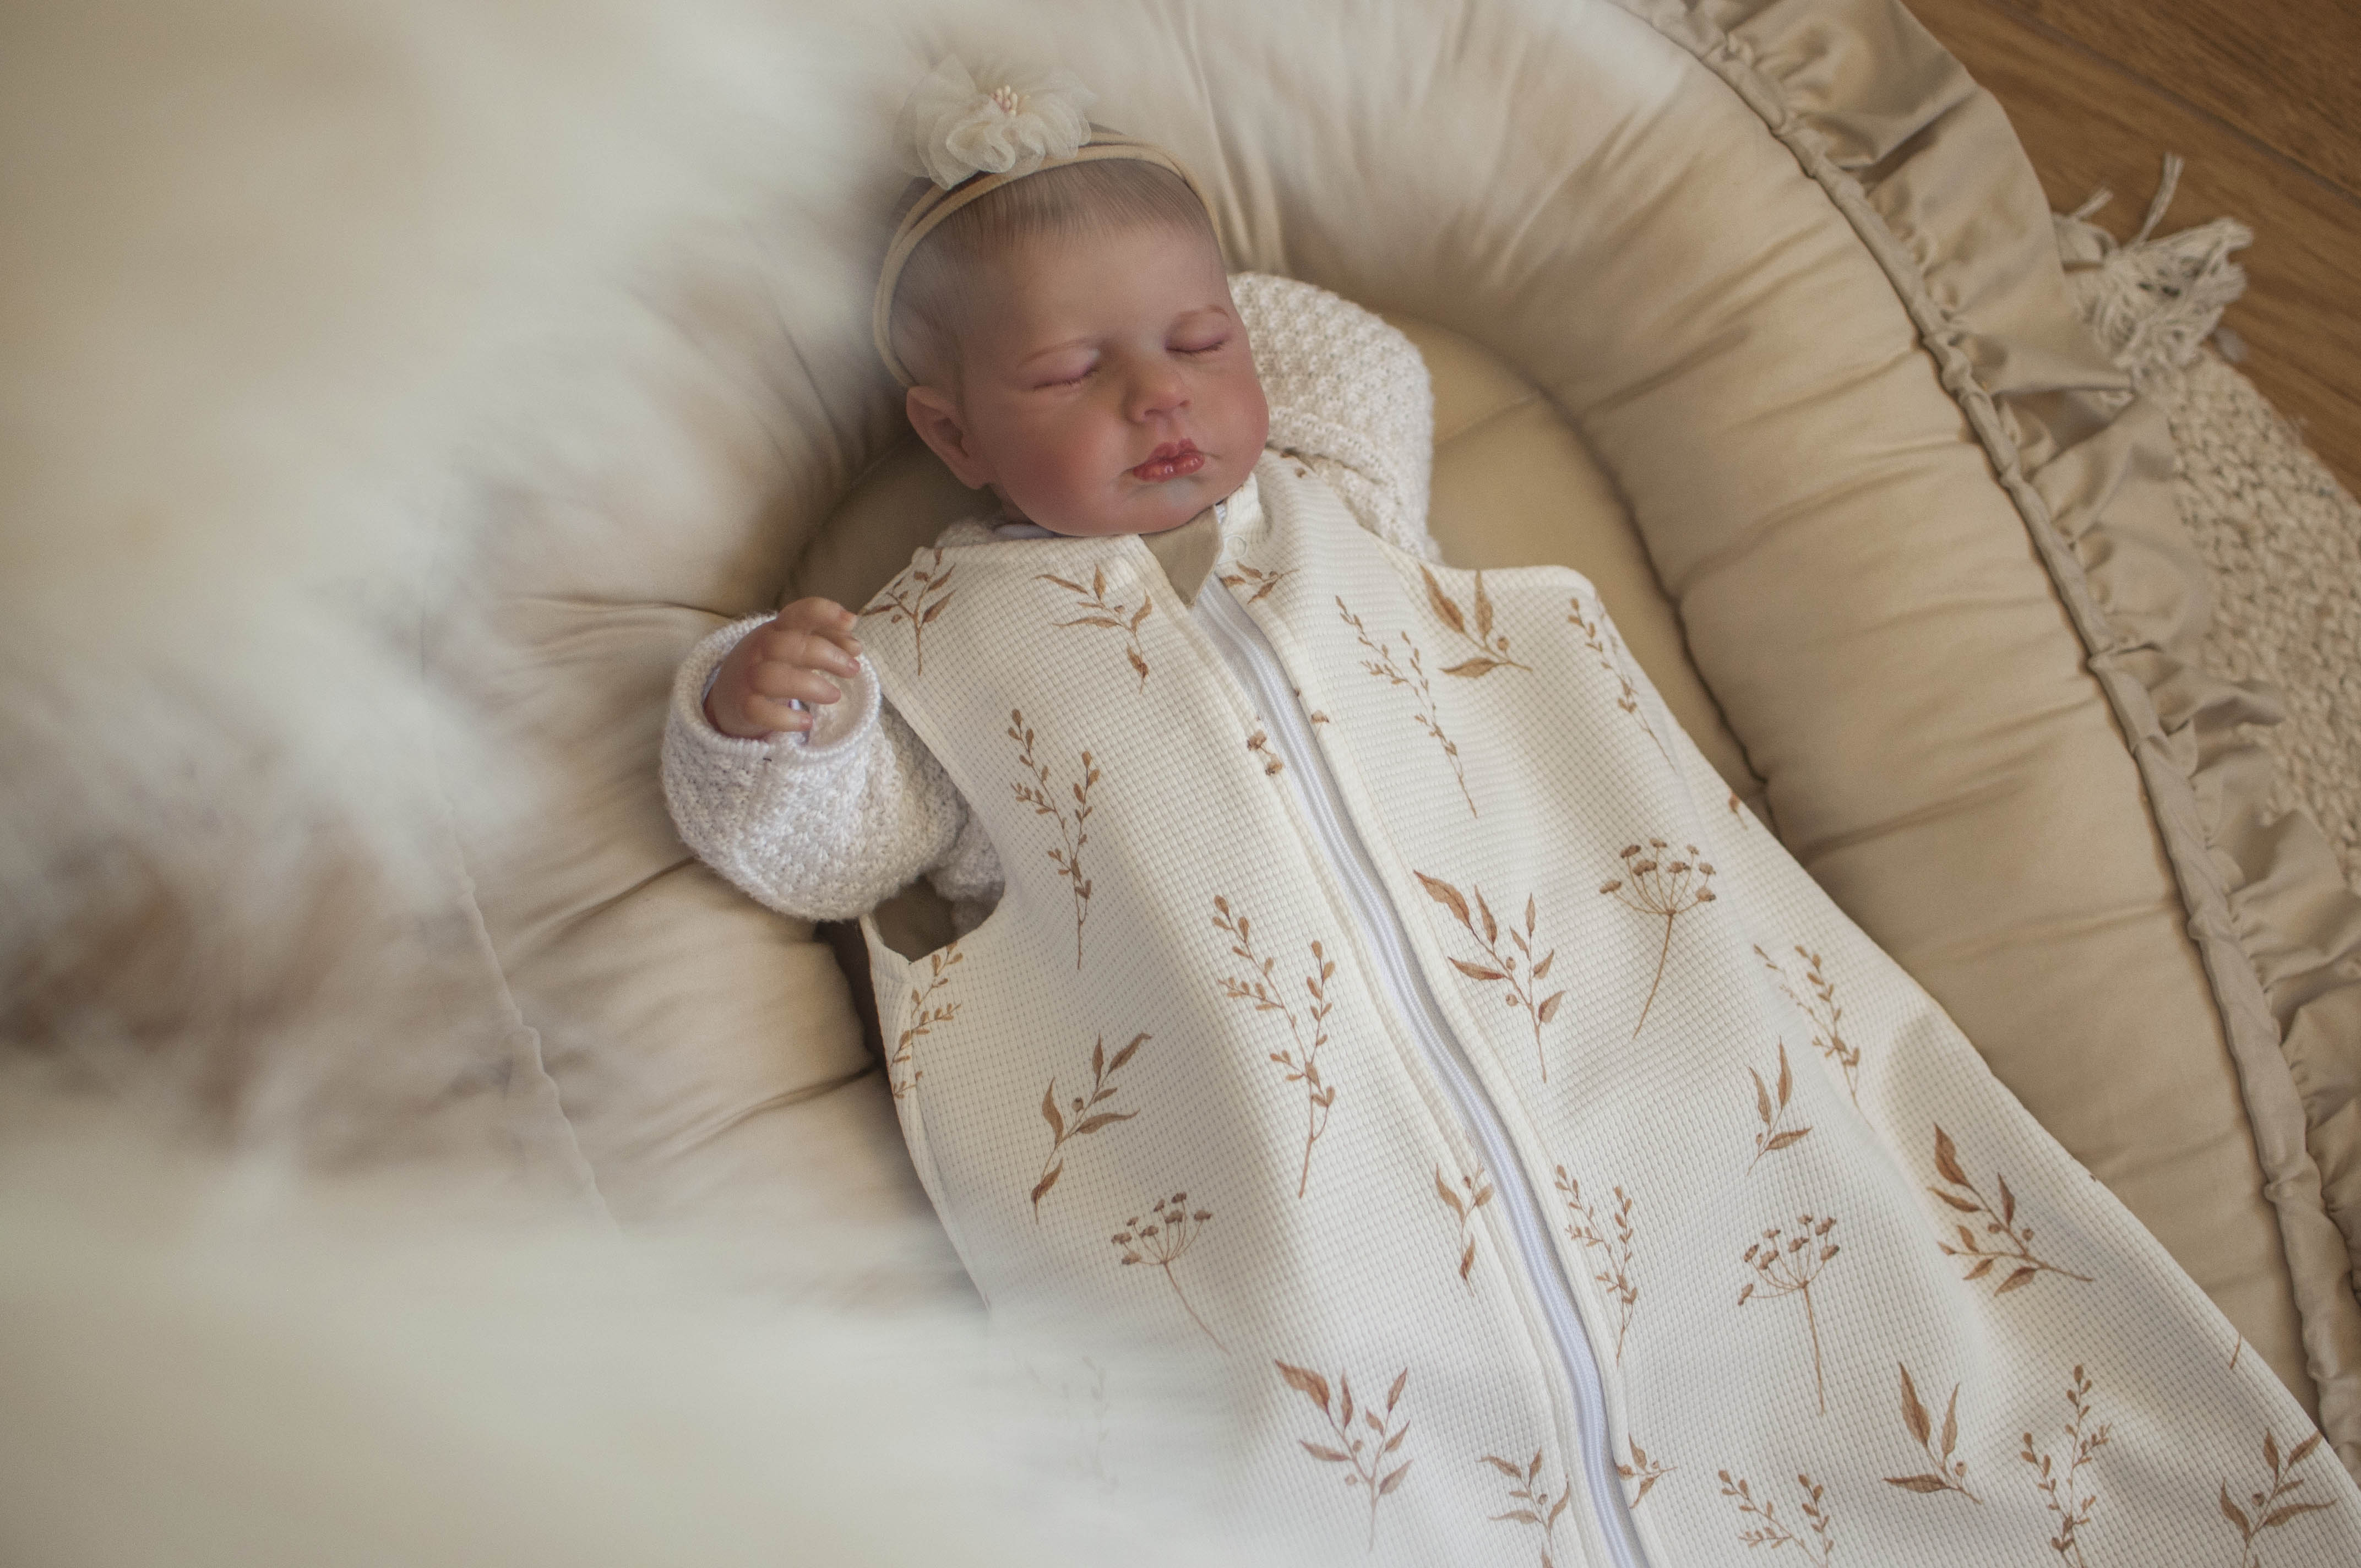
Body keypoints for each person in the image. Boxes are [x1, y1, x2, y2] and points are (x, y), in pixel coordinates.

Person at [661, 57, 2360, 1568]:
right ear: (949, 431)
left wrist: (1109, 235)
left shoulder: (1341, 492)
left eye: (1196, 342)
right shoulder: (930, 649)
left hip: (1628, 1069)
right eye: (1070, 372)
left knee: (1870, 1307)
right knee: (1296, 1448)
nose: (1158, 399)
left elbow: (1353, 354)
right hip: (1291, 1206)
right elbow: (831, 848)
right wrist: (764, 723)